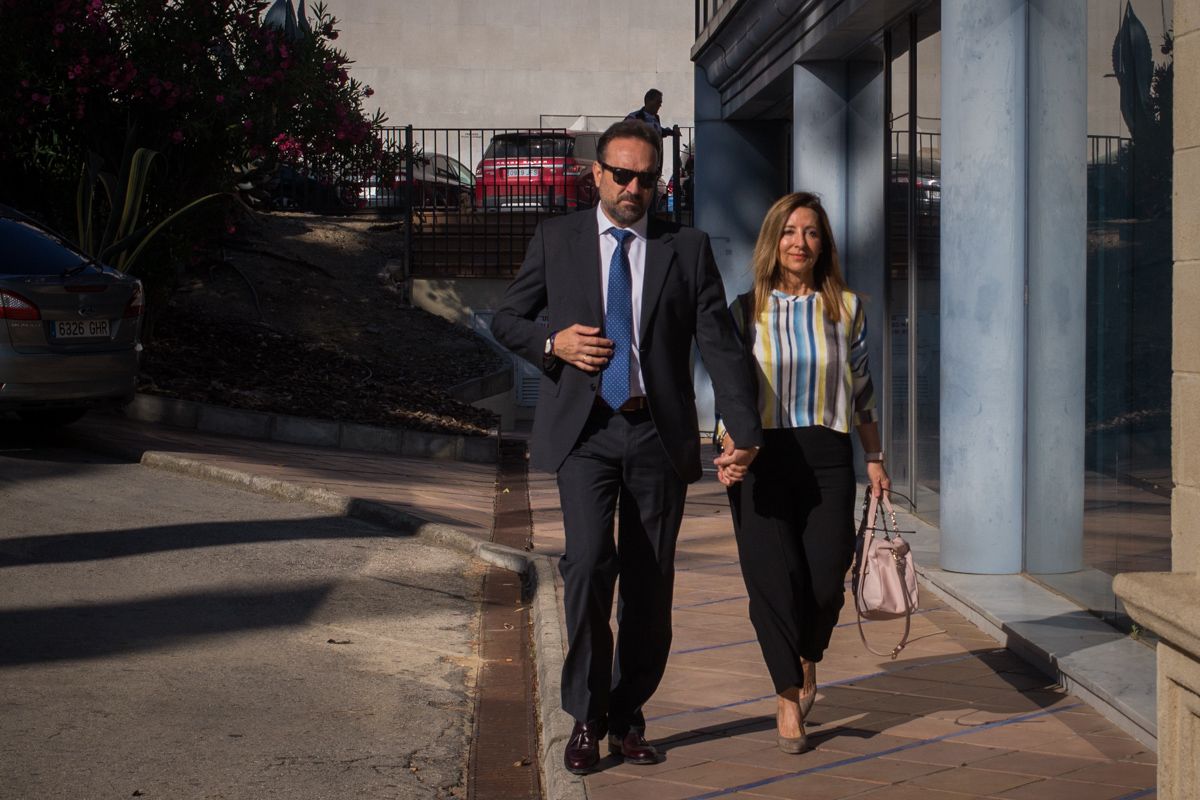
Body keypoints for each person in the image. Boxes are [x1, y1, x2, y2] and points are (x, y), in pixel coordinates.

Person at [491, 120, 762, 775]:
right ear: (598, 174)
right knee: (586, 566)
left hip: (654, 433)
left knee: (649, 585)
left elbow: (719, 343)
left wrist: (743, 429)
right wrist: (552, 344)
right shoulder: (557, 240)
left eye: (647, 178)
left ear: (659, 182)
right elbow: (507, 318)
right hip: (583, 433)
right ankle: (587, 715)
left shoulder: (686, 248)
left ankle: (629, 711)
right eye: (622, 175)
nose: (634, 187)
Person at [715, 192, 890, 754]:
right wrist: (726, 442)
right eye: (789, 231)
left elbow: (861, 389)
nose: (800, 242)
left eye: (811, 232)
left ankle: (808, 655)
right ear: (774, 240)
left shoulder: (849, 309)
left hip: (828, 456)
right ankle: (787, 695)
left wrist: (876, 457)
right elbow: (730, 389)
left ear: (824, 244)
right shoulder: (745, 309)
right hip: (761, 458)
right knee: (771, 581)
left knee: (822, 580)